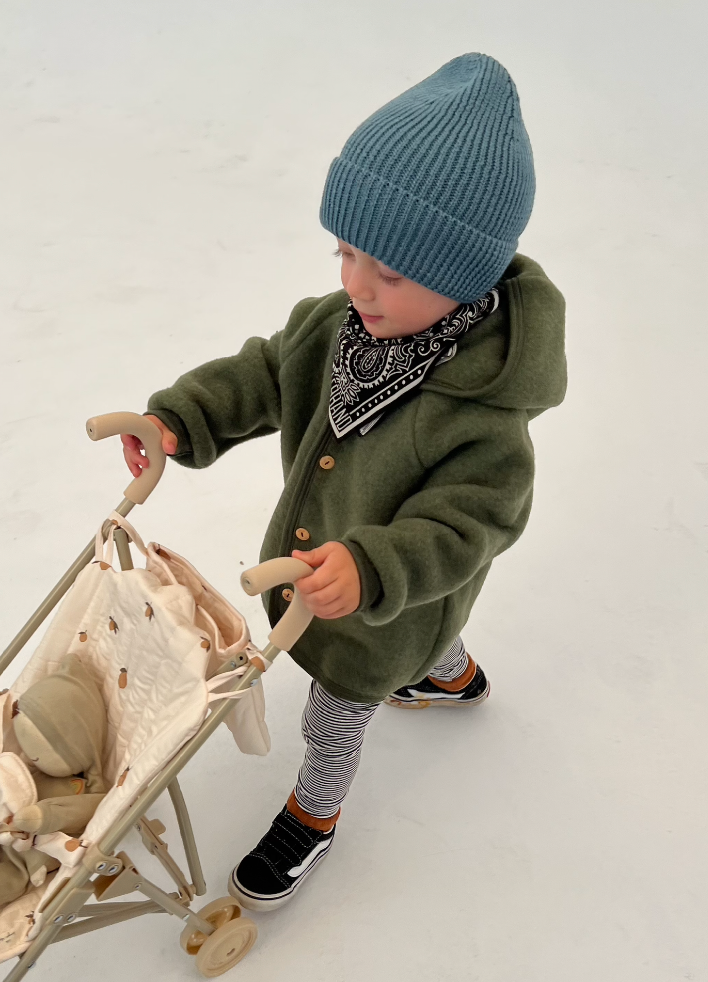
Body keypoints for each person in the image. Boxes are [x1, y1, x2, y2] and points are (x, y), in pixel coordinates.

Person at [121, 53, 567, 912]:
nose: (353, 283)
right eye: (346, 250)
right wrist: (180, 419)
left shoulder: (483, 408)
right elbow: (265, 373)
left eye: (389, 272)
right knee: (433, 638)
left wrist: (372, 571)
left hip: (376, 597)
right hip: (337, 587)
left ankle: (313, 813)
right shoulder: (345, 325)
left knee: (339, 706)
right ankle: (452, 675)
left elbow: (470, 521)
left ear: (465, 275)